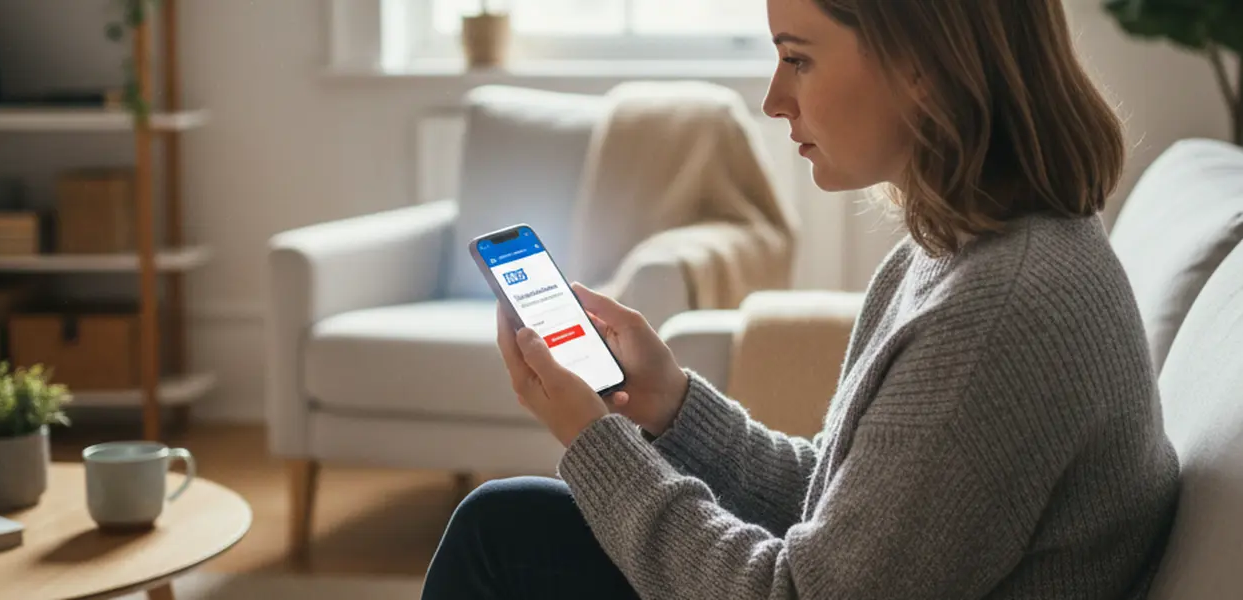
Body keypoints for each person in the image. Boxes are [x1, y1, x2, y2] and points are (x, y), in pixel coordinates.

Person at [420, 0, 1181, 597]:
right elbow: (843, 516)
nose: (775, 98)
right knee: (512, 523)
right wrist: (672, 407)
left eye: (798, 58)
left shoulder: (1003, 313)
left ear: (922, 62)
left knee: (502, 537)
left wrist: (596, 444)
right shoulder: (965, 247)